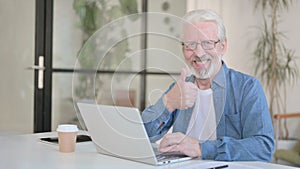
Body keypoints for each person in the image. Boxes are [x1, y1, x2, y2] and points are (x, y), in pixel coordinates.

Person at [141, 9, 274, 162]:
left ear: (222, 47)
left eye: (207, 43)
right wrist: (168, 103)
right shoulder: (179, 89)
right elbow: (144, 135)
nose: (198, 53)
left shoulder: (247, 87)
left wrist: (200, 148)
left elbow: (263, 148)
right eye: (190, 45)